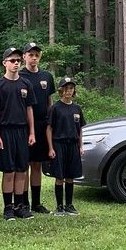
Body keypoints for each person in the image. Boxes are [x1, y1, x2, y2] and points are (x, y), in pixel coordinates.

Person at [0, 48, 37, 220]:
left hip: (22, 131)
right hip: (6, 131)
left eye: (18, 60)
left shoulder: (26, 85)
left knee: (21, 170)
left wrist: (31, 132)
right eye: (12, 60)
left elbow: (29, 109)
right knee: (8, 171)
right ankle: (8, 208)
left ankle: (20, 206)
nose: (16, 63)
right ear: (4, 63)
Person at [19, 42, 56, 216]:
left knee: (37, 164)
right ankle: (23, 202)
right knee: (25, 163)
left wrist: (51, 121)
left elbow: (49, 102)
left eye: (36, 55)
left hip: (42, 124)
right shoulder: (19, 76)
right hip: (24, 126)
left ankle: (36, 202)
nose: (34, 58)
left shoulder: (46, 76)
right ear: (24, 56)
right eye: (30, 54)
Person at [47, 77, 85, 215]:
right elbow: (49, 128)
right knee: (60, 176)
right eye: (66, 88)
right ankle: (59, 206)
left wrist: (80, 146)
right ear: (61, 90)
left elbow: (80, 129)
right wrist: (50, 148)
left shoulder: (77, 108)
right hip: (59, 144)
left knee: (71, 175)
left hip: (73, 145)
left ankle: (69, 204)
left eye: (71, 88)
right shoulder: (55, 108)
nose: (68, 91)